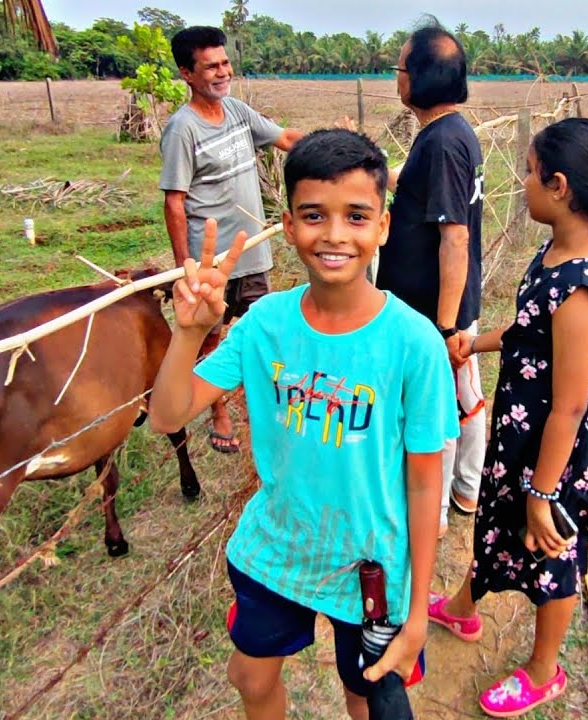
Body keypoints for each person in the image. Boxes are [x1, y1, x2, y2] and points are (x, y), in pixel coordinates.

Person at [148, 129, 458, 720]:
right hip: (278, 546)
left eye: (356, 216)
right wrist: (189, 332)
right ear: (288, 226)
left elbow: (424, 483)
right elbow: (167, 414)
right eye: (314, 215)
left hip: (371, 567)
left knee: (366, 694)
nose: (335, 234)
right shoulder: (265, 324)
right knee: (250, 676)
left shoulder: (414, 343)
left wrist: (418, 611)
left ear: (383, 226)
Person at [425, 118, 588, 718]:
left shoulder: (582, 283)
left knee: (551, 549)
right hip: (524, 432)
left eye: (528, 171)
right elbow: (529, 329)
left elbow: (570, 404)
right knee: (498, 520)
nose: (522, 182)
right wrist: (476, 343)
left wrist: (543, 494)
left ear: (559, 186)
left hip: (555, 451)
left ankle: (545, 670)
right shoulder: (556, 253)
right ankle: (465, 608)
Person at [159, 25, 303, 452]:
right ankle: (217, 410)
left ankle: (276, 405)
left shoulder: (237, 112)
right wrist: (186, 267)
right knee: (209, 338)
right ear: (187, 74)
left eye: (225, 63)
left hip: (252, 252)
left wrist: (336, 146)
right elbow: (174, 202)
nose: (223, 72)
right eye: (211, 67)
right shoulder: (182, 129)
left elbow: (285, 139)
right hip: (213, 263)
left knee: (267, 329)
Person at [377, 22, 487, 539]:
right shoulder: (448, 132)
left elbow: (455, 238)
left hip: (436, 310)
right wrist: (370, 165)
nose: (396, 77)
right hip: (446, 304)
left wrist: (444, 329)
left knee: (438, 409)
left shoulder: (442, 142)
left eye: (400, 68)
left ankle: (435, 512)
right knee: (465, 398)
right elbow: (412, 183)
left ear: (420, 77)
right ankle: (468, 487)